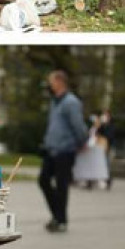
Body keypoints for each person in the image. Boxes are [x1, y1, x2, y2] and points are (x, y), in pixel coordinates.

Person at [39, 70, 88, 233]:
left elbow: (78, 125)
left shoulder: (71, 102)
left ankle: (61, 220)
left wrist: (82, 142)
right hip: (51, 149)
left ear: (60, 82)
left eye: (51, 81)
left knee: (61, 186)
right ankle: (57, 215)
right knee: (43, 180)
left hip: (65, 150)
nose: (50, 85)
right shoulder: (55, 102)